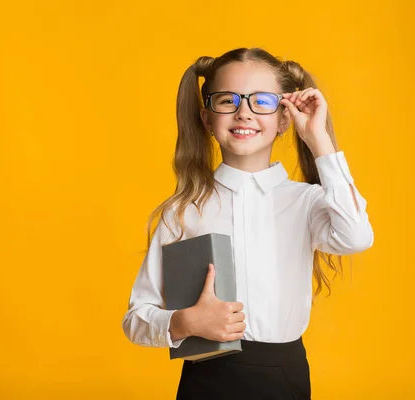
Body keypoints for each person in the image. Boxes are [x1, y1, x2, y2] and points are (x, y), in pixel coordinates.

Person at [121, 47, 374, 400]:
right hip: (205, 380)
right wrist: (185, 323)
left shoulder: (307, 202)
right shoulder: (184, 211)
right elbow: (136, 318)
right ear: (207, 118)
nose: (244, 113)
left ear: (285, 118)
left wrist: (319, 139)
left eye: (262, 101)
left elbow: (356, 237)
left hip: (283, 380)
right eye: (227, 100)